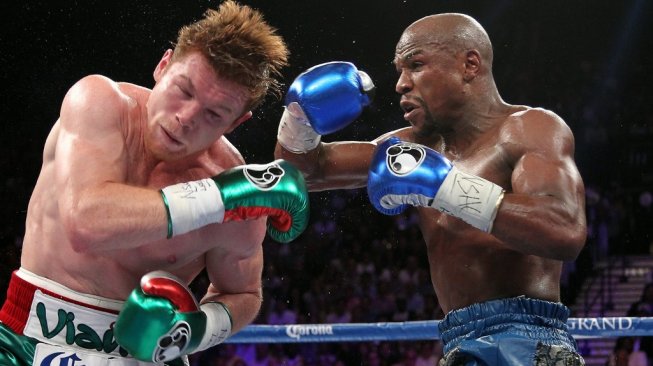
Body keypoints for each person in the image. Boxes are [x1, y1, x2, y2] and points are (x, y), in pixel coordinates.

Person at [0, 2, 310, 366]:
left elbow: (242, 292)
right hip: (30, 338)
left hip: (148, 357)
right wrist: (219, 198)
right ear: (163, 67)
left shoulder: (234, 182)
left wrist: (195, 330)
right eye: (185, 90)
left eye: (214, 114)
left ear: (235, 124)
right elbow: (85, 224)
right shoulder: (98, 103)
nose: (185, 118)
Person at [275, 13, 587, 365]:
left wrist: (445, 186)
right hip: (457, 341)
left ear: (469, 65)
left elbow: (564, 230)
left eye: (415, 65)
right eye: (399, 71)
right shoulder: (413, 147)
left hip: (528, 340)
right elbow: (303, 173)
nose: (401, 84)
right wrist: (298, 119)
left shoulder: (529, 128)